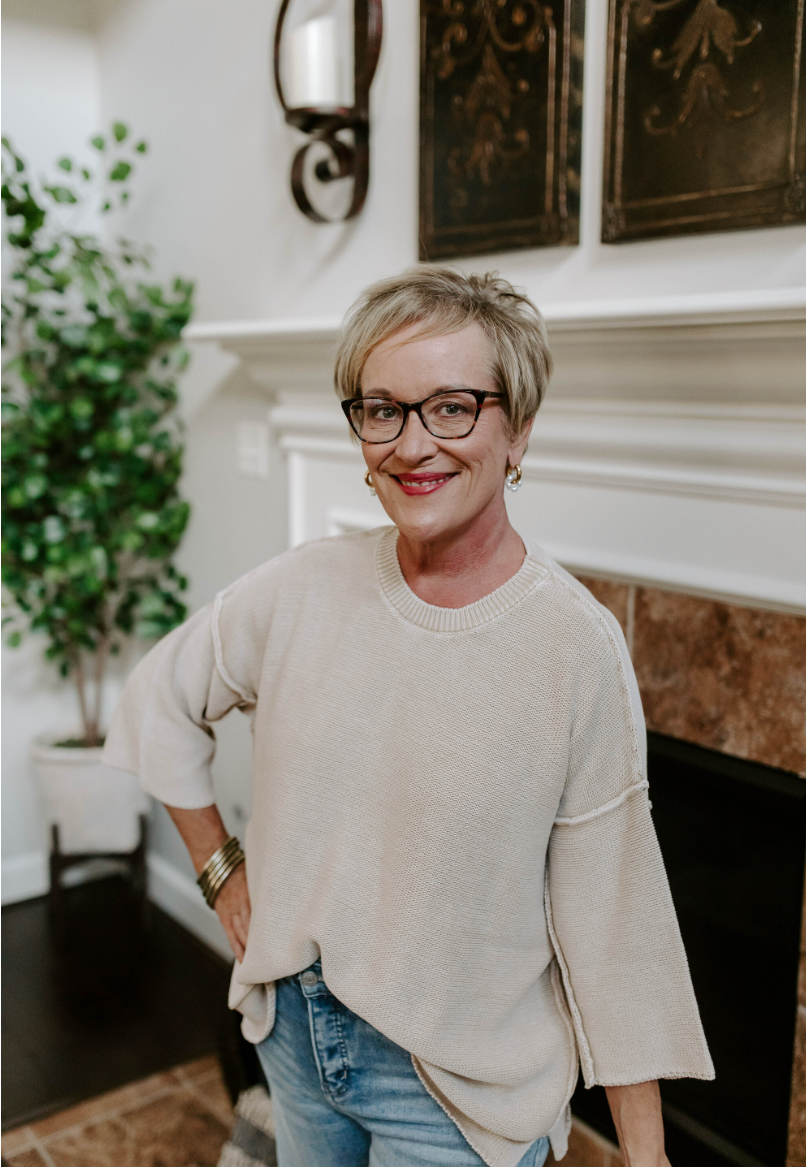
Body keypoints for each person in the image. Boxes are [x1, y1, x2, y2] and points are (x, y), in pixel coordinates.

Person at [103, 267, 713, 1167]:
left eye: (453, 407)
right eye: (382, 409)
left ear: (518, 428)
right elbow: (160, 695)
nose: (412, 443)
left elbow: (613, 912)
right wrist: (222, 870)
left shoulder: (573, 646)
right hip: (297, 1037)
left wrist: (646, 1153)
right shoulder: (301, 587)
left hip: (459, 1093)